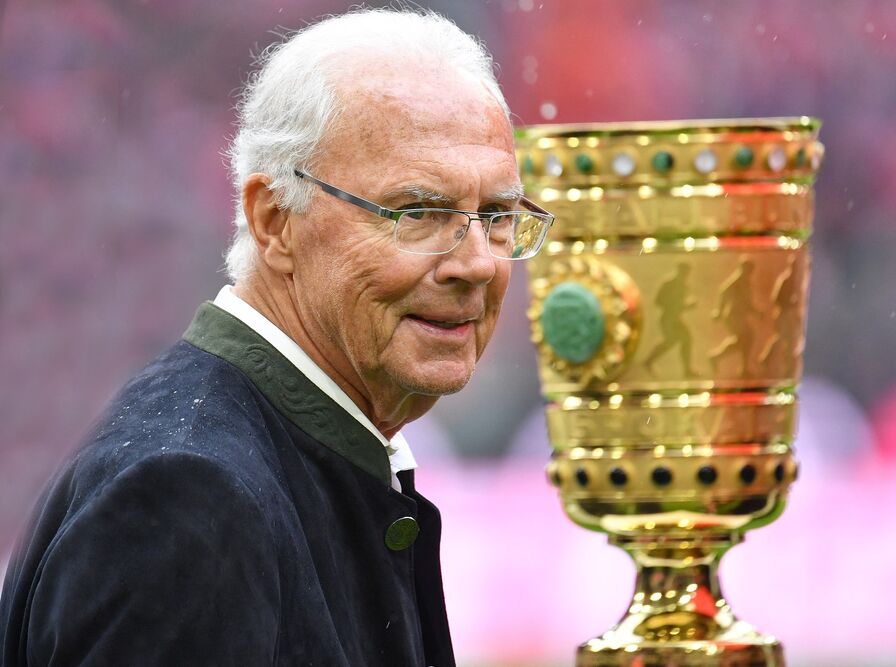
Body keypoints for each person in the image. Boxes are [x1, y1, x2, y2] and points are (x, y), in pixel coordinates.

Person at [0, 9, 553, 667]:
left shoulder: (263, 459)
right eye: (418, 213)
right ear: (274, 219)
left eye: (496, 215)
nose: (479, 264)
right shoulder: (193, 499)